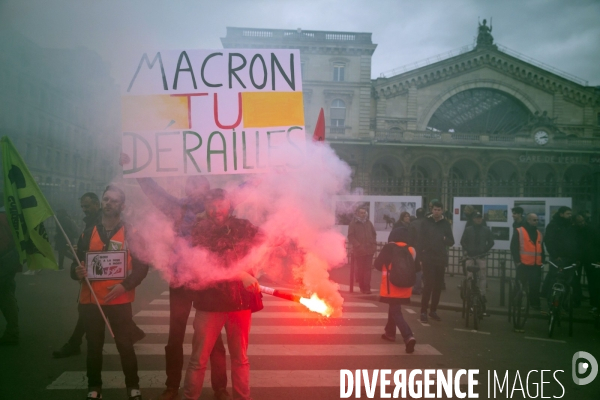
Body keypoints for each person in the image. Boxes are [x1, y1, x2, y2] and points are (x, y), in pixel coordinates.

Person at [137, 177, 229, 400]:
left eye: (200, 186)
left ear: (207, 191)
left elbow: (243, 192)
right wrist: (138, 172)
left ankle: (220, 387)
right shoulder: (178, 207)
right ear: (187, 189)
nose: (196, 190)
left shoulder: (214, 209)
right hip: (180, 280)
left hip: (207, 281)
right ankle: (172, 386)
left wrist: (264, 174)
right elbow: (155, 192)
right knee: (175, 336)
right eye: (192, 185)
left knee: (214, 338)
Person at [183, 188, 263, 400]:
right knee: (198, 359)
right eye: (211, 205)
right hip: (210, 303)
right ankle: (190, 397)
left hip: (240, 303)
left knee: (241, 359)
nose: (216, 210)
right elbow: (210, 262)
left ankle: (242, 397)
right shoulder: (200, 229)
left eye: (220, 205)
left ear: (229, 205)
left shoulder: (243, 226)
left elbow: (266, 239)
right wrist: (242, 274)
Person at [72, 185, 149, 400]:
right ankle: (94, 388)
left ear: (122, 206)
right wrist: (76, 272)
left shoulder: (131, 233)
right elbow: (75, 265)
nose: (108, 203)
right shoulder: (87, 232)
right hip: (92, 300)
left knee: (124, 344)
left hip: (120, 299)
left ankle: (133, 387)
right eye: (106, 199)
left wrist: (124, 286)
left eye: (114, 201)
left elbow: (143, 266)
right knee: (94, 346)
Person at [53, 193, 146, 359]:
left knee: (96, 311)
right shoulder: (92, 222)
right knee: (91, 311)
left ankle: (75, 343)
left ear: (96, 204)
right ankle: (130, 333)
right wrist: (80, 266)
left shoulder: (105, 222)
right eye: (82, 206)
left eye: (87, 206)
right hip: (94, 277)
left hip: (105, 278)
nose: (84, 209)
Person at [375, 227, 417, 353]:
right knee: (394, 308)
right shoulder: (411, 249)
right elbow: (418, 267)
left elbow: (377, 264)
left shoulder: (389, 248)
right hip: (405, 286)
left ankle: (408, 336)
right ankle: (390, 333)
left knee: (396, 311)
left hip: (391, 286)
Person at [418, 201, 454, 322]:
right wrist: (421, 257)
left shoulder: (446, 224)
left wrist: (444, 239)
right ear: (431, 210)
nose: (437, 211)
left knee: (438, 286)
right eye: (435, 209)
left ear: (442, 211)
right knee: (428, 285)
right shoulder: (426, 222)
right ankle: (423, 311)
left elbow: (451, 241)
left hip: (440, 258)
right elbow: (420, 239)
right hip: (428, 257)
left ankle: (433, 310)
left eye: (439, 209)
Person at [542, 206, 578, 306]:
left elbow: (574, 241)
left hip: (569, 257)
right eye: (568, 214)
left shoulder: (571, 225)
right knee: (555, 279)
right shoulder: (553, 225)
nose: (570, 216)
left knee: (568, 280)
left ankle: (563, 301)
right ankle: (552, 301)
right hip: (558, 257)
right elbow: (549, 241)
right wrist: (555, 255)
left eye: (570, 214)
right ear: (561, 214)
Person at [510, 213, 545, 312]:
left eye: (537, 220)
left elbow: (541, 248)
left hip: (535, 265)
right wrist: (517, 261)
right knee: (519, 284)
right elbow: (514, 247)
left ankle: (535, 304)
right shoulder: (520, 231)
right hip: (523, 264)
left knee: (535, 286)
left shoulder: (539, 233)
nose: (536, 222)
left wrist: (542, 260)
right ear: (528, 220)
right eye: (534, 220)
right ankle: (516, 303)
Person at [460, 212, 494, 310]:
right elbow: (463, 241)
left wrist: (485, 250)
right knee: (469, 276)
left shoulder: (486, 230)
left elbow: (491, 242)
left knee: (482, 277)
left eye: (480, 218)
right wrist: (467, 249)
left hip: (481, 256)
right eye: (477, 218)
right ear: (473, 219)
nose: (479, 220)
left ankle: (482, 295)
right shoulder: (468, 230)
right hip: (470, 256)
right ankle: (469, 293)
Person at [0, 195, 22, 345]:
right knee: (7, 293)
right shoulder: (8, 216)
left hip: (3, 262)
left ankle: (13, 330)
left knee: (4, 295)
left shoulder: (1, 218)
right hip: (10, 261)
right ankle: (13, 327)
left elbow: (3, 244)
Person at [348, 207, 377, 294]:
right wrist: (358, 246)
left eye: (364, 213)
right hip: (360, 251)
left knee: (368, 269)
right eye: (361, 213)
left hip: (369, 250)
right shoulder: (353, 223)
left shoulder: (368, 223)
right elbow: (350, 236)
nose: (363, 214)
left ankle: (367, 287)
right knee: (361, 269)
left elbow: (373, 234)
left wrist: (373, 244)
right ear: (357, 213)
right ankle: (362, 286)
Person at [409, 208, 426, 295]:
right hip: (427, 248)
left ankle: (417, 288)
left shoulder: (413, 224)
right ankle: (427, 287)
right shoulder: (428, 223)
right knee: (427, 267)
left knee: (417, 268)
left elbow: (410, 237)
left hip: (416, 248)